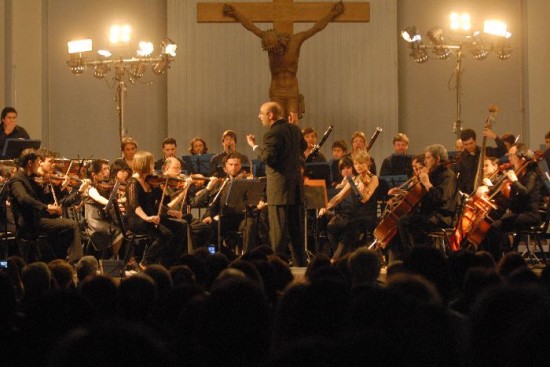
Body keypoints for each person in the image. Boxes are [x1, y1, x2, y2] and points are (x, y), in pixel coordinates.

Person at [223, 2, 344, 122]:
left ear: (282, 41)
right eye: (272, 51)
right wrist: (235, 14)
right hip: (276, 89)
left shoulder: (296, 41)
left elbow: (316, 28)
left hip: (292, 89)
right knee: (277, 119)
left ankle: (294, 141)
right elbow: (251, 27)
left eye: (277, 49)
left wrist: (332, 13)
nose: (275, 52)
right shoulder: (267, 39)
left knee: (292, 118)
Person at [247, 101, 307, 266]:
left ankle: (278, 268)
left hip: (279, 191)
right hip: (296, 189)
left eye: (261, 113)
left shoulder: (272, 134)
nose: (260, 116)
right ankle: (301, 268)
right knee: (297, 234)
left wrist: (254, 147)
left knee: (278, 234)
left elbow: (268, 158)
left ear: (271, 115)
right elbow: (304, 146)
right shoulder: (294, 129)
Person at [8, 148, 83, 264]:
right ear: (30, 163)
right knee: (72, 225)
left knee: (66, 229)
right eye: (38, 162)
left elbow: (38, 199)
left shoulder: (29, 178)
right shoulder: (17, 180)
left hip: (37, 219)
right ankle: (76, 263)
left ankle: (58, 260)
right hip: (29, 223)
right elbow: (24, 199)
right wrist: (46, 207)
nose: (38, 165)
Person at [390, 144, 459, 260]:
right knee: (397, 225)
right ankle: (404, 259)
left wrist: (427, 183)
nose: (425, 161)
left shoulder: (448, 176)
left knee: (405, 222)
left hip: (442, 217)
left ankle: (415, 258)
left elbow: (440, 198)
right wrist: (403, 192)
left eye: (428, 158)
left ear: (437, 159)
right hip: (429, 214)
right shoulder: (433, 174)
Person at [125, 151, 187, 268]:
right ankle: (145, 262)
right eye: (151, 164)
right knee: (165, 234)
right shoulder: (132, 182)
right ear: (143, 164)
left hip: (152, 217)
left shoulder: (151, 181)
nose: (154, 166)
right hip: (138, 219)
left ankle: (172, 262)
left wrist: (178, 189)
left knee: (181, 226)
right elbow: (134, 205)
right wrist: (147, 218)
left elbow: (166, 200)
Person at [484, 143, 544, 261]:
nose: (509, 158)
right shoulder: (519, 173)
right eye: (509, 155)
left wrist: (515, 181)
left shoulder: (531, 175)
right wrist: (500, 196)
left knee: (496, 227)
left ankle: (498, 261)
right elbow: (513, 201)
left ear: (522, 158)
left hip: (530, 215)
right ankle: (506, 255)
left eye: (512, 155)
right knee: (494, 224)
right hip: (519, 213)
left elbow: (525, 193)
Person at [318, 151, 379, 261]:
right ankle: (343, 256)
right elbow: (339, 197)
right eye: (356, 164)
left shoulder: (374, 178)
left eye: (361, 163)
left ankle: (337, 259)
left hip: (368, 216)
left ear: (368, 163)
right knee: (332, 226)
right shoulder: (354, 179)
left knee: (351, 227)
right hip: (355, 215)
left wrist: (362, 188)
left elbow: (365, 199)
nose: (358, 166)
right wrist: (326, 206)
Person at [201, 152, 260, 255]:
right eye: (231, 165)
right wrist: (209, 215)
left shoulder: (248, 182)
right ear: (225, 168)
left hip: (243, 217)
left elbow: (255, 201)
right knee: (208, 229)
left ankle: (248, 257)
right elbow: (213, 203)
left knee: (249, 225)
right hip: (226, 218)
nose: (233, 168)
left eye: (236, 165)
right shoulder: (221, 183)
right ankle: (215, 255)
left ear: (240, 165)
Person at [162, 157, 213, 251]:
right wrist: (183, 190)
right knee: (186, 228)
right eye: (175, 168)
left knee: (206, 229)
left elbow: (194, 202)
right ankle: (187, 255)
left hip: (184, 216)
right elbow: (169, 205)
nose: (179, 171)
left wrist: (208, 188)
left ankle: (199, 255)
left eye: (180, 168)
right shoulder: (162, 184)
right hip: (170, 218)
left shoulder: (182, 183)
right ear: (166, 169)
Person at [83, 159, 123, 257]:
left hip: (104, 218)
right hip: (94, 220)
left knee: (123, 227)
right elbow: (98, 198)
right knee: (118, 230)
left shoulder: (105, 185)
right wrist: (115, 203)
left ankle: (114, 257)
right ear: (94, 174)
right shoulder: (89, 187)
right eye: (104, 169)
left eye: (108, 168)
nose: (108, 171)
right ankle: (113, 257)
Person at [454, 128, 507, 195]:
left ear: (475, 140)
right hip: (468, 194)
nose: (469, 146)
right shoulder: (460, 158)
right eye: (466, 144)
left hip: (485, 192)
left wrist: (495, 136)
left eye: (471, 143)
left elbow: (503, 150)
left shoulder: (485, 152)